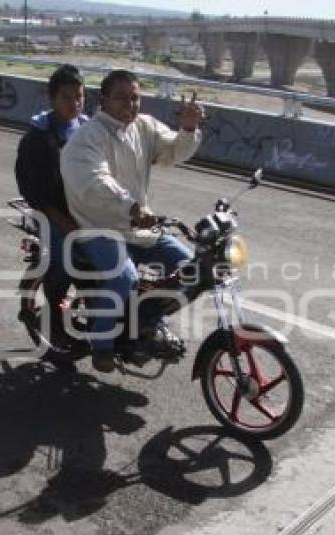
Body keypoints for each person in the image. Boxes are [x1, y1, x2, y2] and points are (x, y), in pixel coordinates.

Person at [60, 69, 204, 373]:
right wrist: (133, 207)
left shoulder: (144, 127)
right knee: (124, 278)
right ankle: (101, 345)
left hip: (138, 227)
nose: (130, 103)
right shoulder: (87, 138)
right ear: (104, 99)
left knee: (190, 269)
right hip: (98, 227)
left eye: (135, 97)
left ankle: (147, 323)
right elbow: (95, 183)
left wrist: (188, 129)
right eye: (121, 97)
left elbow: (171, 151)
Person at [14, 64, 88, 348]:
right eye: (67, 97)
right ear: (52, 99)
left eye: (79, 97)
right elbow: (32, 189)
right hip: (51, 213)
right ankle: (55, 318)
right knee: (67, 254)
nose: (75, 103)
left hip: (83, 209)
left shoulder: (86, 129)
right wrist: (60, 219)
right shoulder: (38, 139)